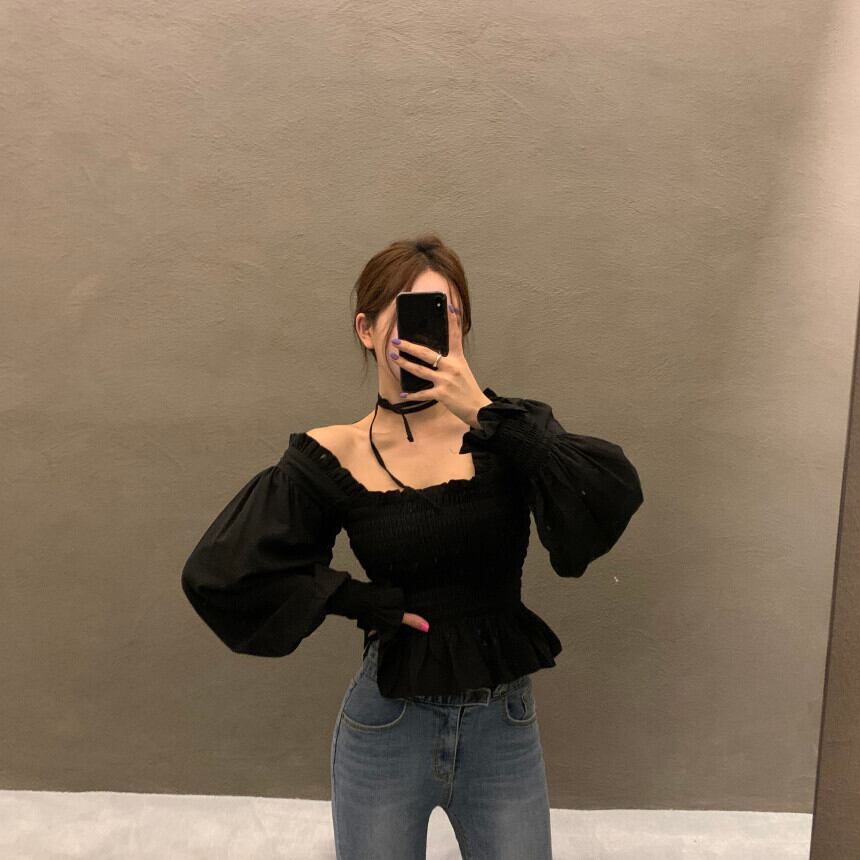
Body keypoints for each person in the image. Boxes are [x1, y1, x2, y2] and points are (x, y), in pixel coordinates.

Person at [180, 233, 644, 859]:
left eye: (448, 314)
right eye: (411, 313)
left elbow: (608, 495)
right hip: (387, 726)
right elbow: (222, 569)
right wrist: (355, 599)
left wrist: (483, 413)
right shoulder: (337, 452)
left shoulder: (506, 432)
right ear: (367, 329)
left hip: (503, 728)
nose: (432, 331)